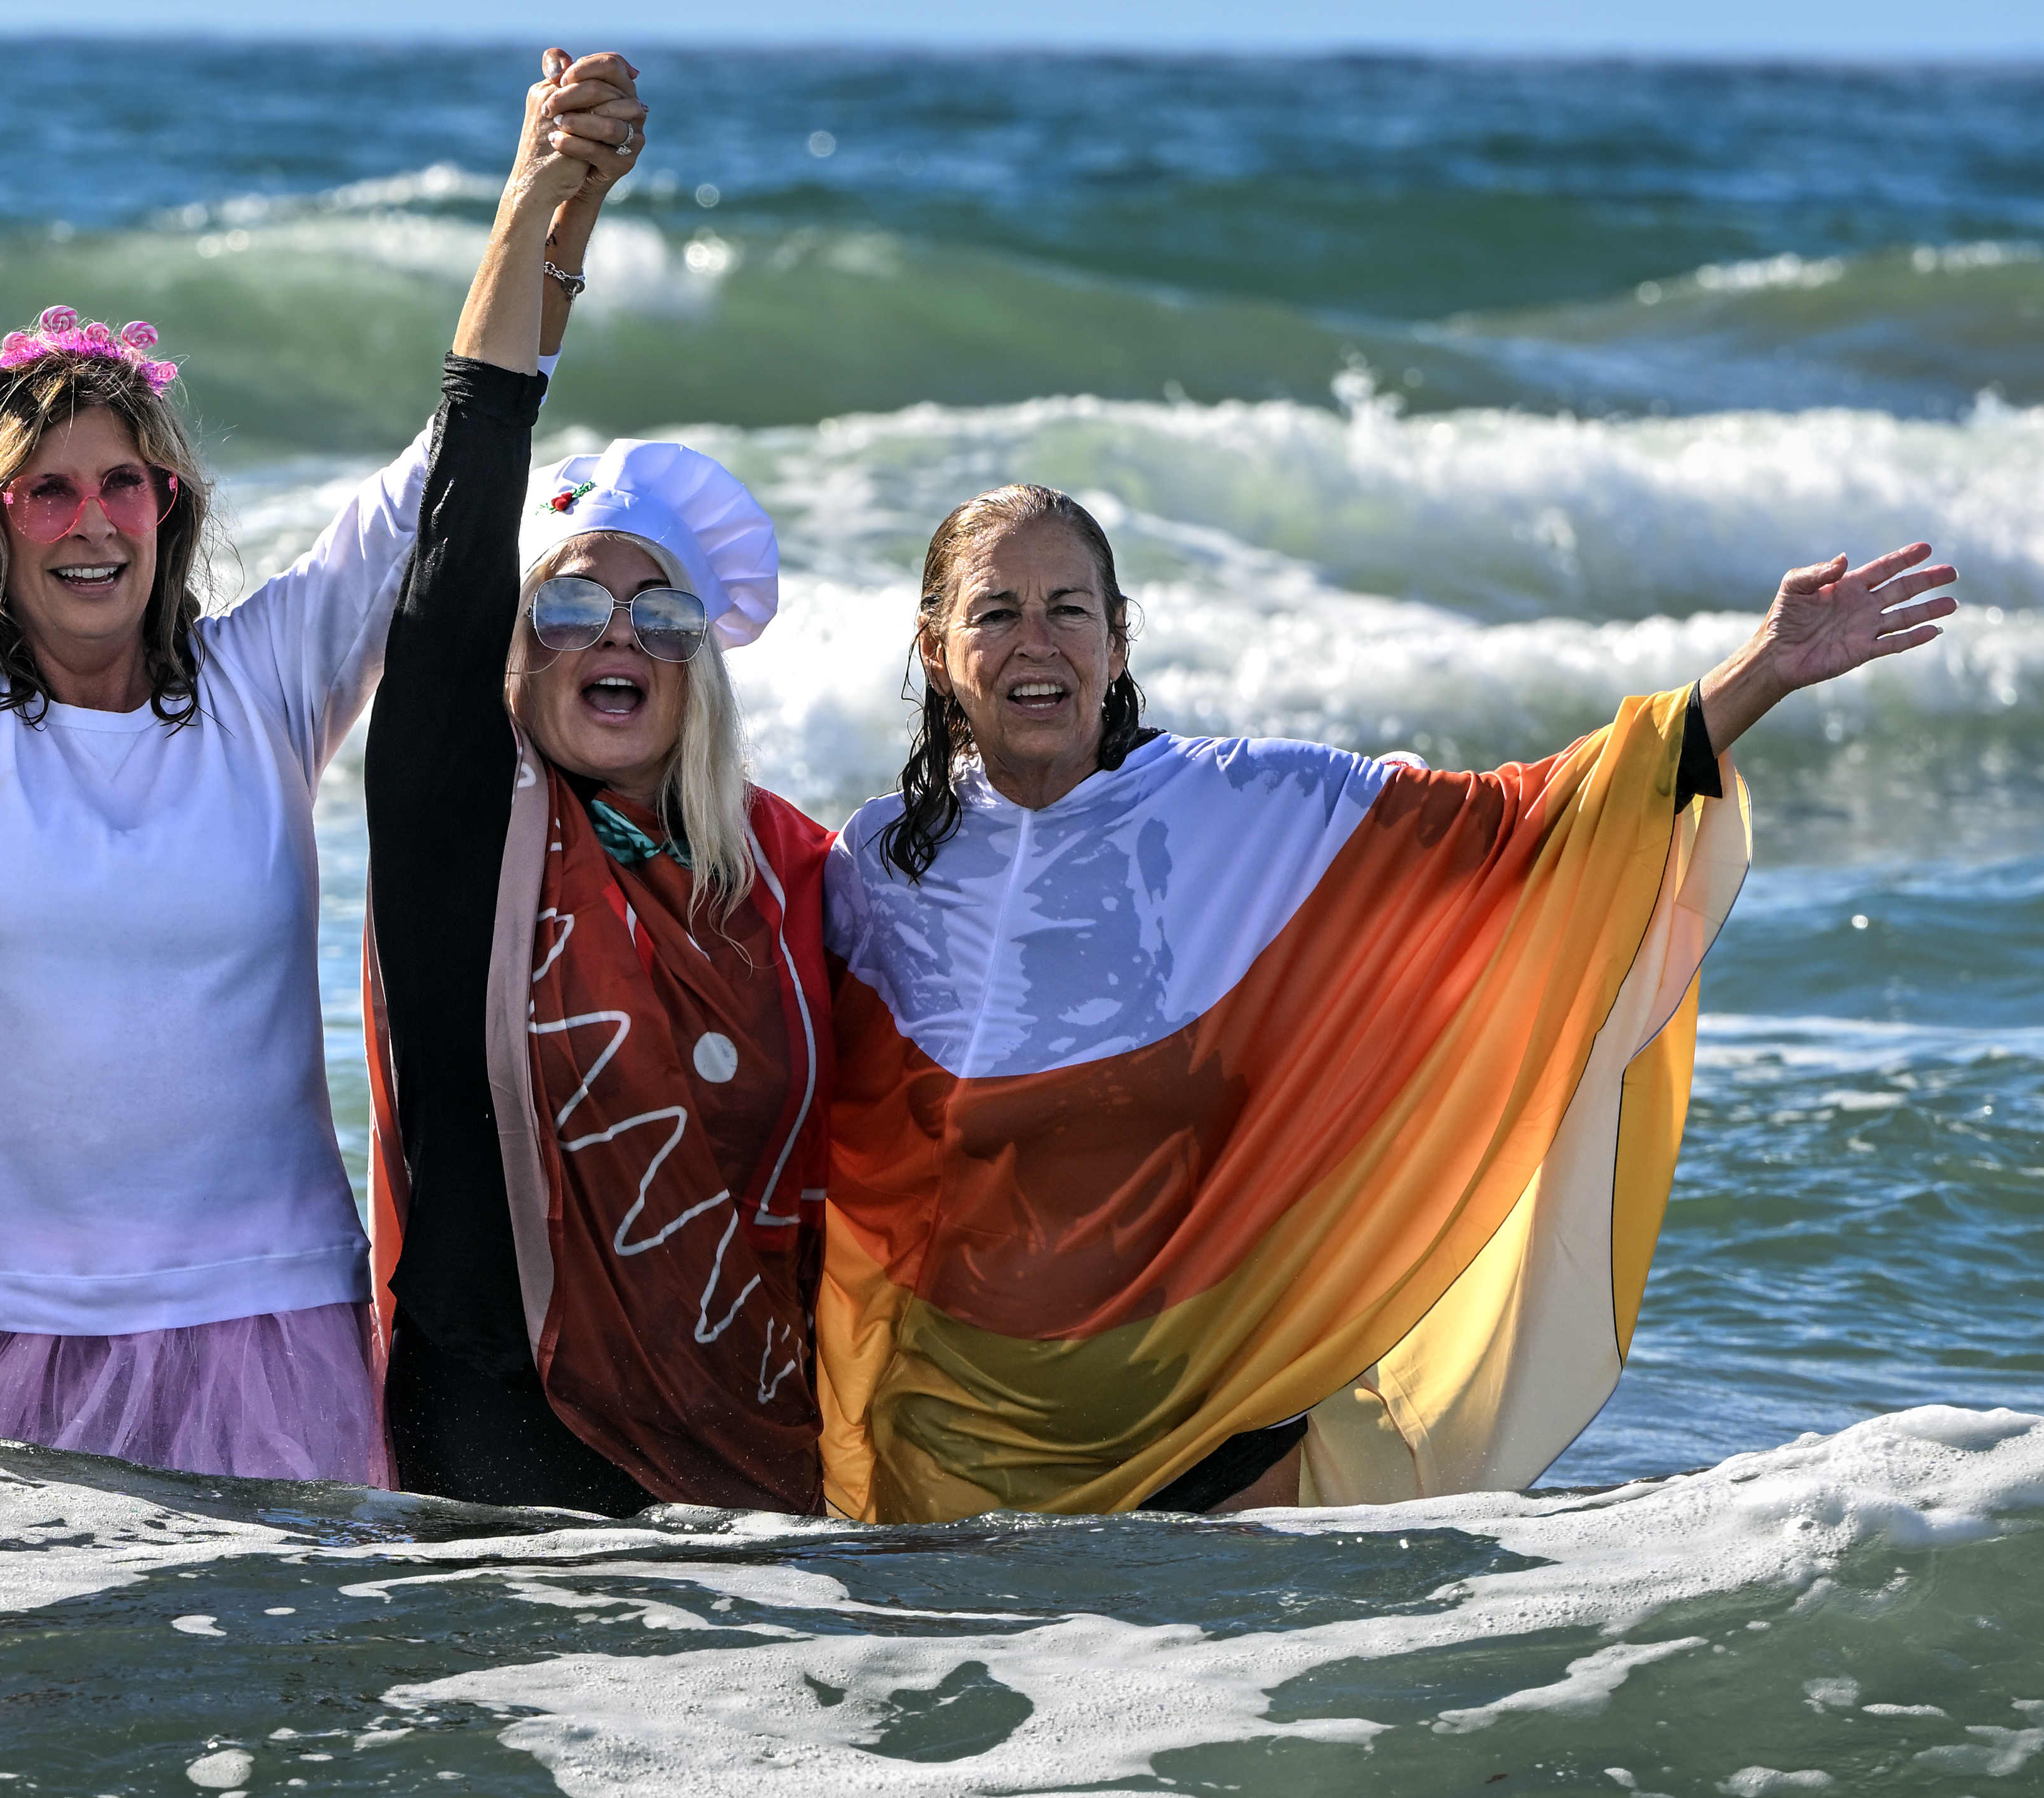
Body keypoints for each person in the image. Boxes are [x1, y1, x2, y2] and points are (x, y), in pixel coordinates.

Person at [821, 488, 1956, 1518]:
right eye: (997, 611)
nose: (1037, 640)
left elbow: (1522, 826)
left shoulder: (1245, 804)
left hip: (1205, 1429)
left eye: (1069, 609)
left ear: (1118, 641)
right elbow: (777, 1093)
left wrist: (1762, 669)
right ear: (936, 649)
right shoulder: (874, 868)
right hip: (952, 1455)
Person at [0, 0, 546, 1487]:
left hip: (265, 1310)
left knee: (275, 1644)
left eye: (125, 482)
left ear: (167, 509)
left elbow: (448, 470)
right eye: (47, 489)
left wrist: (539, 196)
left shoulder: (263, 687)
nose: (94, 520)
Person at [361, 54, 839, 1515]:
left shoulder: (788, 881)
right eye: (568, 604)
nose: (616, 634)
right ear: (513, 649)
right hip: (490, 1463)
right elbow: (469, 484)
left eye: (659, 609)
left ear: (703, 664)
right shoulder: (456, 816)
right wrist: (539, 206)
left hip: (746, 1453)